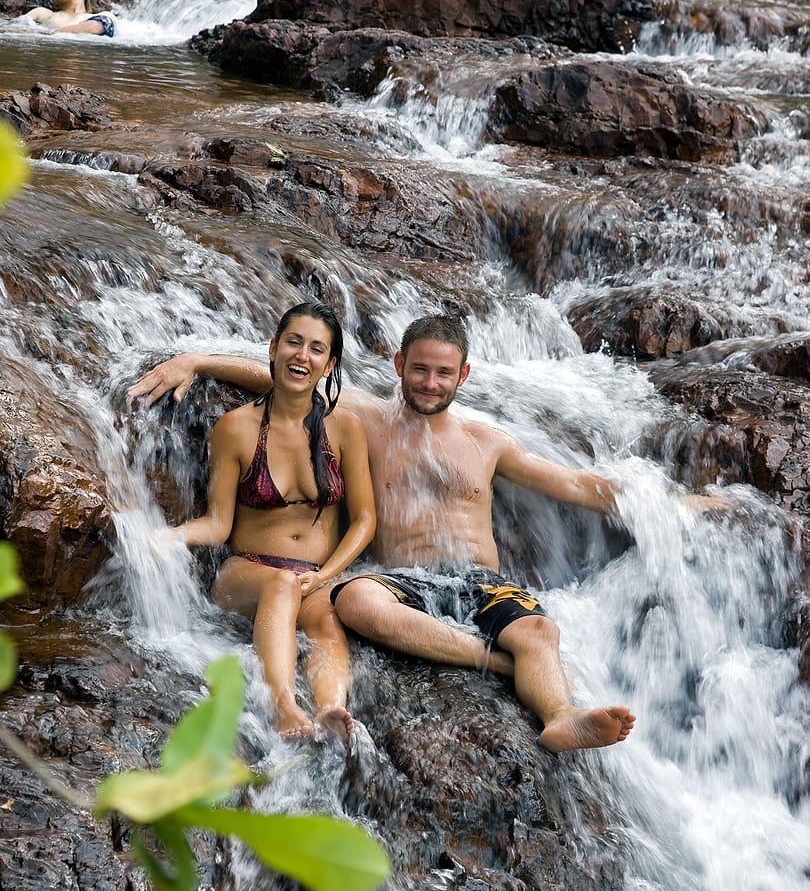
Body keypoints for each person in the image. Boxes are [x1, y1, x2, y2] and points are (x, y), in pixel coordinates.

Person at [129, 314, 720, 752]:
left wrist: (665, 500)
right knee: (356, 598)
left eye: (443, 373)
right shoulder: (364, 419)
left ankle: (561, 713)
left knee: (538, 628)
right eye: (419, 370)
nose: (430, 383)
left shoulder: (488, 442)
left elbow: (572, 484)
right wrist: (199, 363)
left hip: (482, 582)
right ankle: (499, 664)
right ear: (398, 367)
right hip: (401, 581)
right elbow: (287, 379)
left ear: (463, 374)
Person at [159, 302, 375, 742]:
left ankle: (332, 706)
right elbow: (218, 524)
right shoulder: (235, 429)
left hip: (315, 576)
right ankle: (283, 705)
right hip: (249, 572)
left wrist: (325, 577)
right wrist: (169, 537)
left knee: (328, 621)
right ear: (273, 348)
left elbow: (366, 520)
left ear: (329, 364)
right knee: (281, 583)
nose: (302, 356)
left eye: (317, 349)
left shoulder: (346, 428)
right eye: (293, 342)